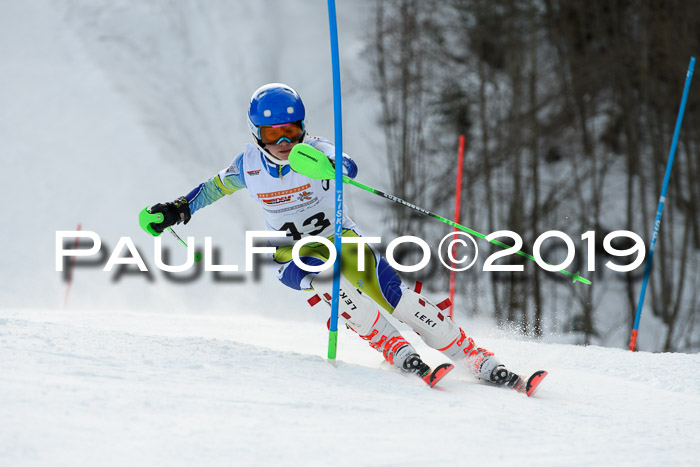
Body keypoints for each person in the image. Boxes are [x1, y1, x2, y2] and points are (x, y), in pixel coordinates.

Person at [142, 83, 542, 393]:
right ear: (256, 135)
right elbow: (210, 190)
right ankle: (394, 347)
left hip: (340, 236)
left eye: (292, 130)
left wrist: (329, 165)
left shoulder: (313, 149)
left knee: (391, 293)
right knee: (332, 278)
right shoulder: (247, 166)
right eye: (273, 134)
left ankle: (471, 355)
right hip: (289, 253)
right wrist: (176, 210)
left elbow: (346, 165)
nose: (284, 143)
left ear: (303, 127)